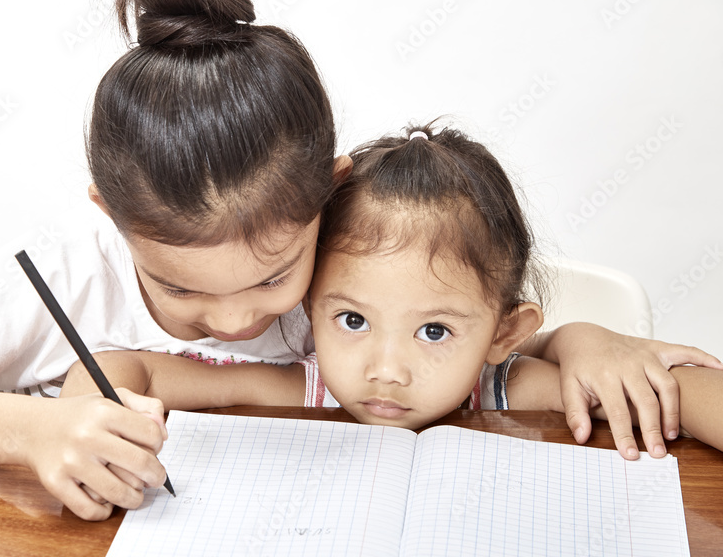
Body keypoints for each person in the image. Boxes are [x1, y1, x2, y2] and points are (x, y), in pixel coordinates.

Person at [0, 0, 718, 522]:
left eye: (275, 277)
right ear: (110, 216)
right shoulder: (64, 269)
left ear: (328, 194)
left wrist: (581, 337)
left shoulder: (355, 267)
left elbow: (475, 325)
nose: (240, 318)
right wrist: (36, 429)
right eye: (175, 284)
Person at [66, 124, 723, 454]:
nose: (384, 370)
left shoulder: (503, 388)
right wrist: (88, 409)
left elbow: (693, 394)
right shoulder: (313, 387)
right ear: (307, 304)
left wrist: (594, 344)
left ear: (503, 334)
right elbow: (133, 371)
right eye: (352, 320)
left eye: (434, 330)